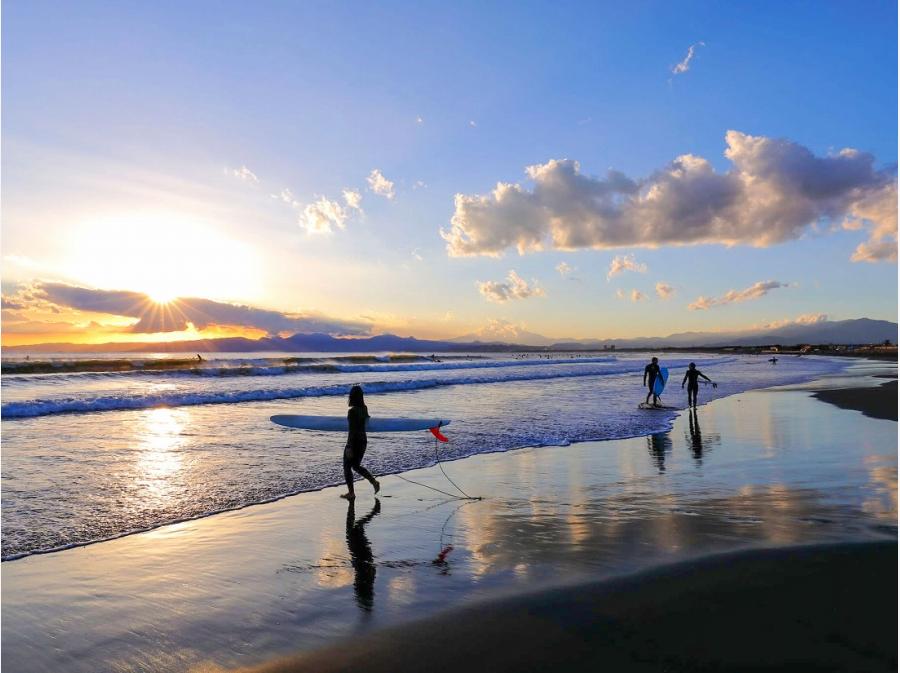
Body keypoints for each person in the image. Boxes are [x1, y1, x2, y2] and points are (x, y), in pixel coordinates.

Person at [341, 385, 380, 500]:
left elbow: (352, 430)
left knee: (347, 466)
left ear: (351, 397)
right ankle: (374, 482)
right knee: (356, 466)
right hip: (363, 440)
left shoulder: (352, 412)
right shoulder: (364, 408)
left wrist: (349, 447)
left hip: (354, 442)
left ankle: (351, 493)